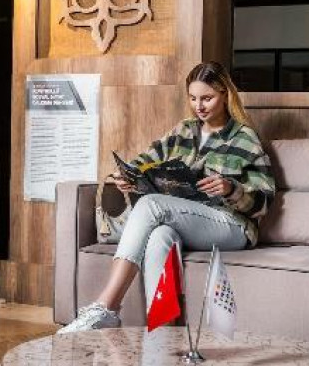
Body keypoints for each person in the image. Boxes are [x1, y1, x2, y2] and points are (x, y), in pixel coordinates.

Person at [58, 61, 276, 333]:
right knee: (160, 235)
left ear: (225, 95)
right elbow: (144, 162)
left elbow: (263, 203)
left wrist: (232, 190)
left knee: (152, 205)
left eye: (207, 98)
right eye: (193, 98)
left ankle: (106, 307)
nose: (199, 106)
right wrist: (126, 177)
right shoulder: (183, 131)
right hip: (186, 221)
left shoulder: (244, 138)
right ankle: (162, 336)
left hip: (232, 225)